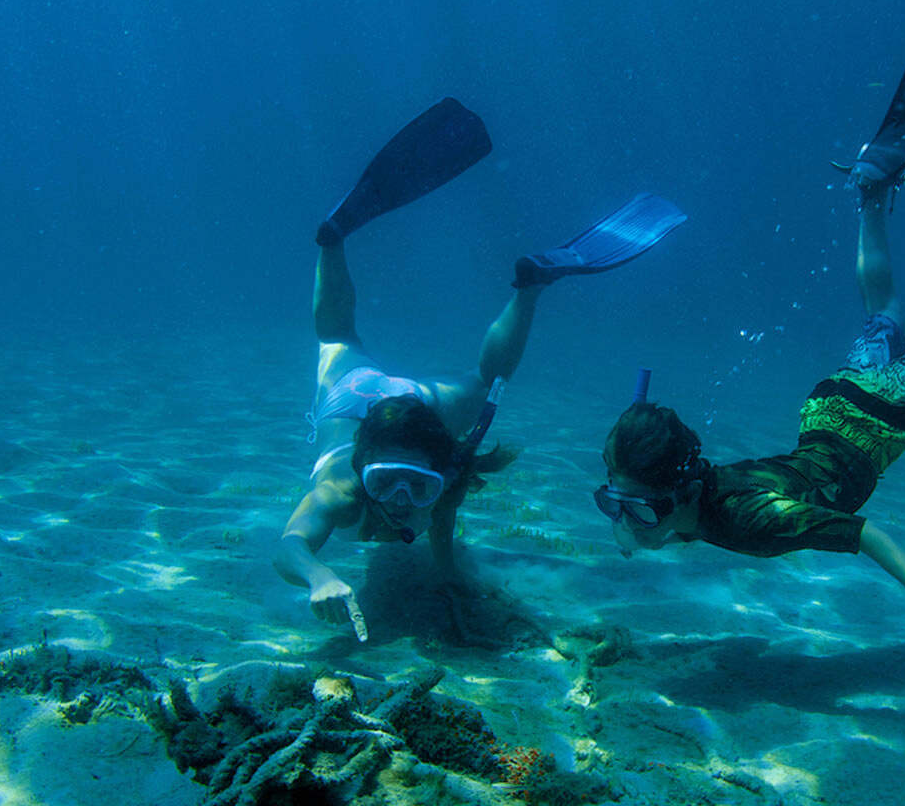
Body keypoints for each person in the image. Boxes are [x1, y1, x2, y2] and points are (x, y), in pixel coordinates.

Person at [594, 18, 905, 614]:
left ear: (677, 491)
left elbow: (864, 534)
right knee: (881, 311)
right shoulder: (689, 485)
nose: (626, 521)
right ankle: (872, 198)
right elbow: (663, 504)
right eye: (612, 505)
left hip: (881, 419)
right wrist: (642, 517)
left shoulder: (753, 522)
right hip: (830, 408)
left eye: (637, 509)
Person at [274, 98, 686, 641]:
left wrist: (444, 577)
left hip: (396, 402)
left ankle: (338, 239)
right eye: (389, 484)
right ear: (361, 467)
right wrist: (318, 576)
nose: (400, 501)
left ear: (441, 473)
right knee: (389, 351)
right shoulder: (344, 489)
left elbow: (421, 533)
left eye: (416, 488)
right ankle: (525, 285)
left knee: (339, 337)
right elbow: (291, 548)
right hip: (365, 399)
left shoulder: (430, 478)